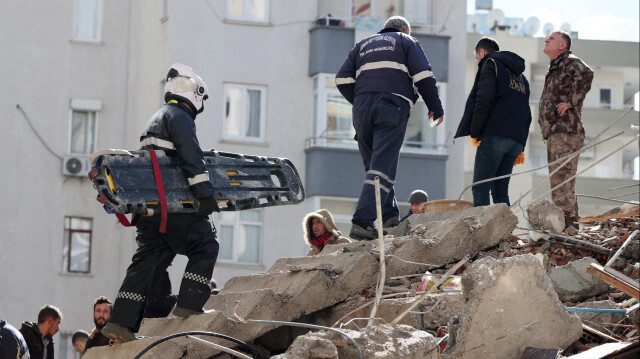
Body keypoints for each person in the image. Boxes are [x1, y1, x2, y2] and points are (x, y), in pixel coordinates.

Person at [102, 63, 220, 342]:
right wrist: (205, 196)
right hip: (173, 205)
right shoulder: (180, 117)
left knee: (148, 262)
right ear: (195, 92)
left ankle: (120, 323)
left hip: (151, 207)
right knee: (205, 244)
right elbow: (191, 158)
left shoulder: (157, 116)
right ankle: (190, 304)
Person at [335, 15, 444, 240]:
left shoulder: (362, 45)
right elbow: (423, 75)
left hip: (362, 109)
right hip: (392, 106)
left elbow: (342, 79)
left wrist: (360, 101)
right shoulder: (406, 41)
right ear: (405, 29)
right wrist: (435, 107)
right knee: (383, 168)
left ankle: (389, 217)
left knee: (376, 167)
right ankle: (362, 222)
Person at [454, 37, 532, 207]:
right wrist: (521, 146)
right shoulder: (521, 77)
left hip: (495, 135)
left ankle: (484, 232)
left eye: (477, 58)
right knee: (500, 191)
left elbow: (483, 101)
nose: (478, 62)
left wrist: (475, 132)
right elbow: (527, 113)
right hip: (516, 141)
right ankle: (504, 231)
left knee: (480, 188)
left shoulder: (491, 64)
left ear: (482, 52)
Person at [539, 30, 593, 230]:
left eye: (551, 38)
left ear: (563, 45)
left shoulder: (569, 61)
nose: (546, 40)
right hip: (557, 132)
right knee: (561, 185)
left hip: (566, 131)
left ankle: (567, 229)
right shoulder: (556, 66)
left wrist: (572, 102)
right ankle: (571, 228)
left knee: (563, 185)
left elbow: (587, 73)